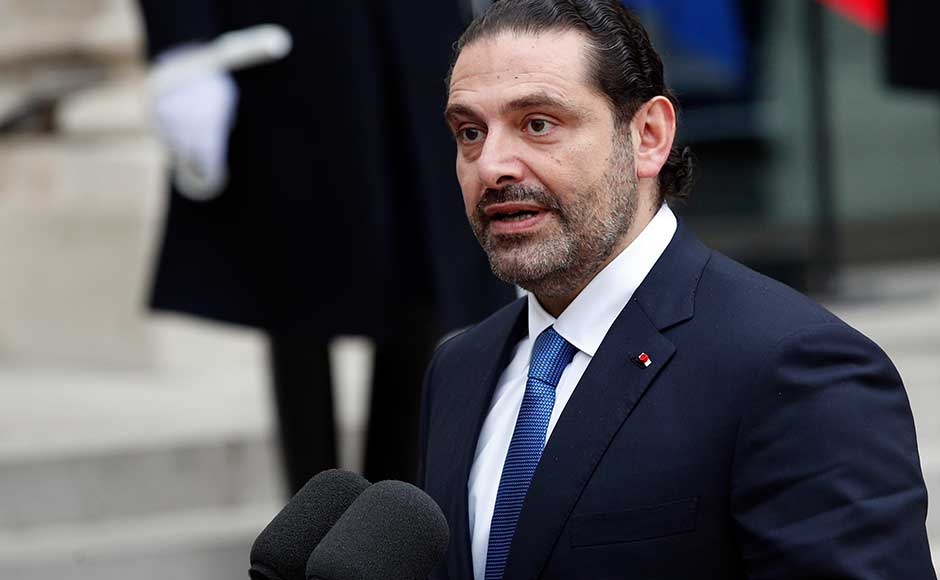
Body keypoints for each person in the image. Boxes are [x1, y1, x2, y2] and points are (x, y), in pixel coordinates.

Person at [417, 1, 937, 578]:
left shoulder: (796, 367)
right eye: (470, 132)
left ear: (648, 136)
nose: (491, 166)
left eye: (538, 124)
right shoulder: (458, 369)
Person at [137, 0, 513, 494]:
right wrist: (182, 45)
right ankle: (310, 531)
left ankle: (386, 530)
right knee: (298, 294)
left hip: (424, 39)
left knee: (425, 278)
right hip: (295, 52)